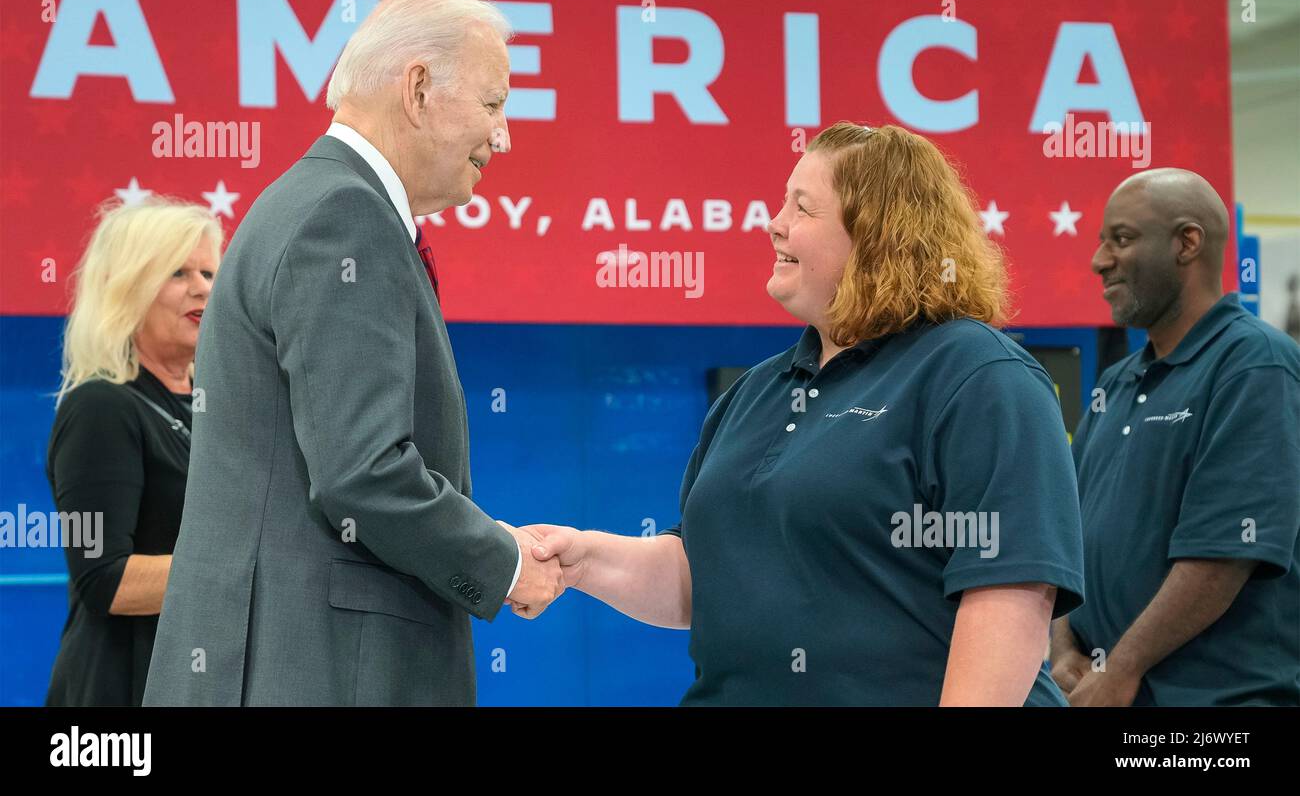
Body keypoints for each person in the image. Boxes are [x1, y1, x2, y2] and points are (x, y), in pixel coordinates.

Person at [524, 122, 1086, 705]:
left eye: (803, 206)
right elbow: (702, 578)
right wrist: (583, 559)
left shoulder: (978, 376)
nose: (775, 222)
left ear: (878, 235)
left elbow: (1012, 594)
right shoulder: (756, 391)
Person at [143, 0, 562, 707]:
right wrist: (500, 560)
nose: (504, 136)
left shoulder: (310, 202)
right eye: (494, 105)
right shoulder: (344, 216)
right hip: (320, 674)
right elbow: (362, 474)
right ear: (419, 89)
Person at [1050, 168, 1300, 706]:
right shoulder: (1117, 382)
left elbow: (1226, 552)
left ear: (1188, 243)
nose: (1098, 260)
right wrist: (1063, 644)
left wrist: (1122, 666)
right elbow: (1068, 534)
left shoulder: (1255, 366)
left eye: (1122, 239)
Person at [45, 198, 222, 705]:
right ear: (127, 287)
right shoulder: (100, 406)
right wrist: (242, 572)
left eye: (210, 272)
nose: (203, 288)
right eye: (178, 272)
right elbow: (107, 579)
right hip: (121, 688)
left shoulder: (218, 407)